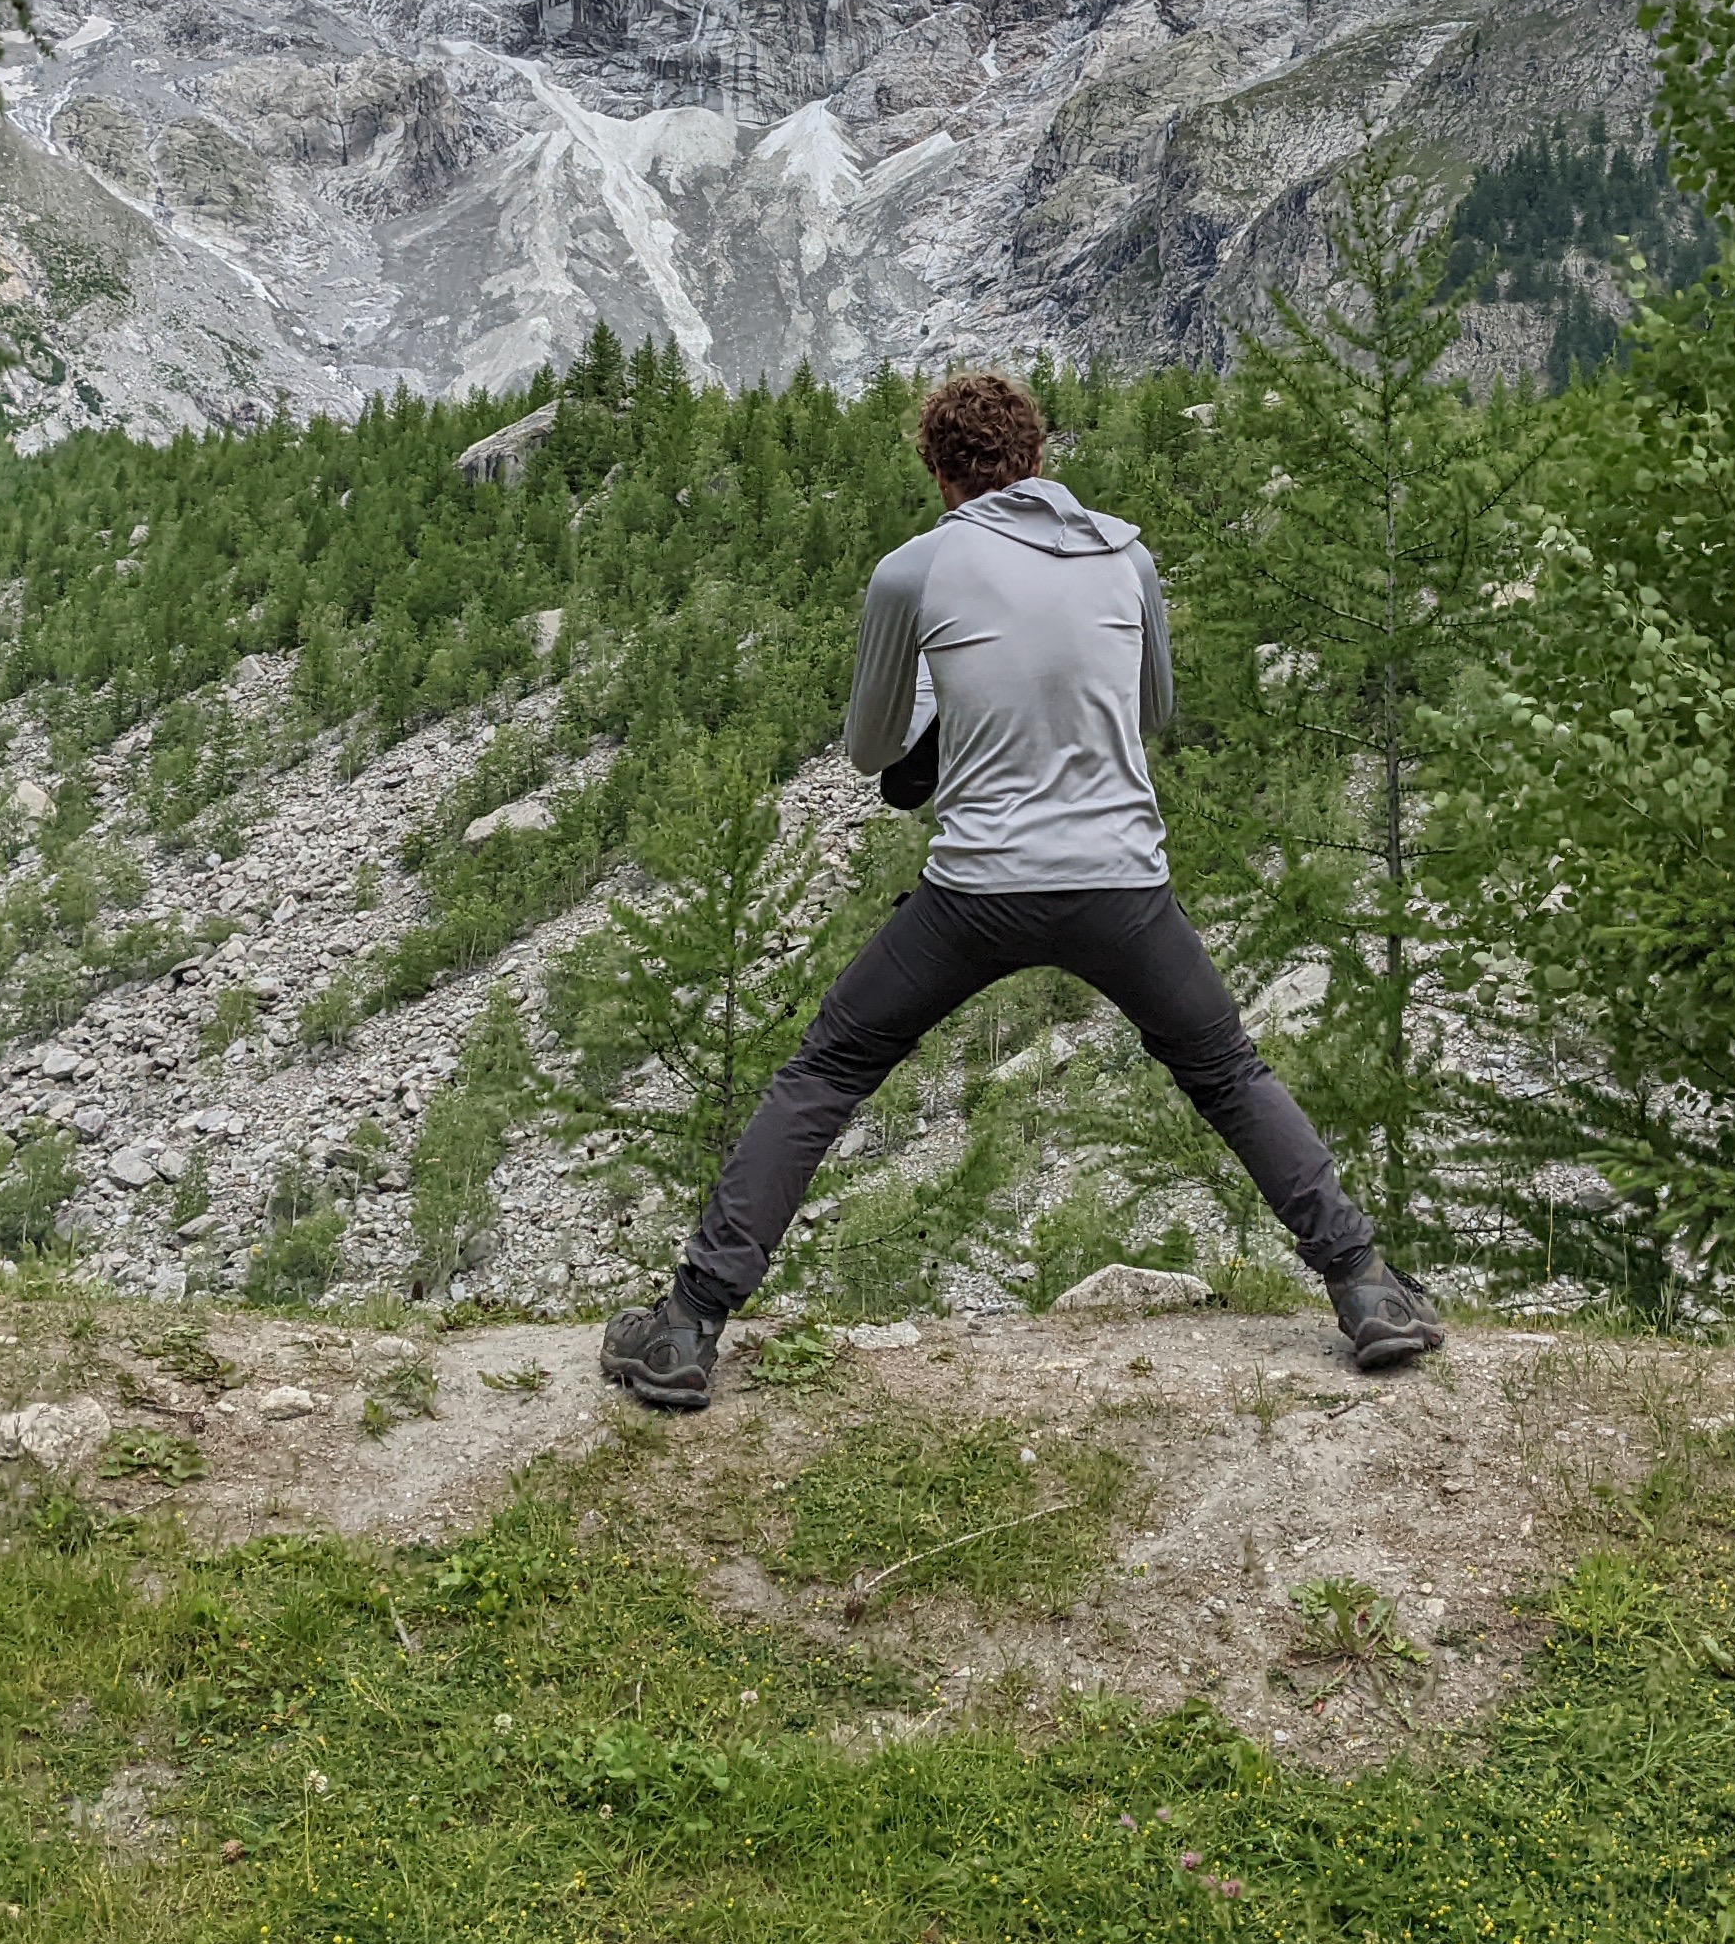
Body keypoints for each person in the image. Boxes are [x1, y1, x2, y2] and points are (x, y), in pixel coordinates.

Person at [599, 370, 1443, 1410]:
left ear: (939, 470)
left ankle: (686, 1327)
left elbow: (872, 754)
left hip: (978, 890)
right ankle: (1366, 1290)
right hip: (1122, 883)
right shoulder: (1127, 556)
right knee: (1226, 1071)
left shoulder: (914, 571)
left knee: (825, 1076)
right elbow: (1151, 710)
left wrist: (942, 716)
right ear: (1038, 457)